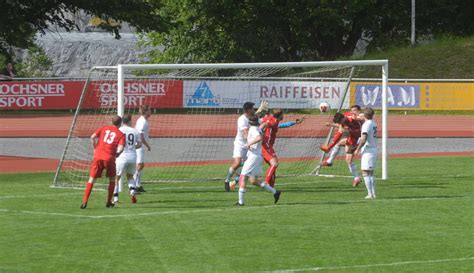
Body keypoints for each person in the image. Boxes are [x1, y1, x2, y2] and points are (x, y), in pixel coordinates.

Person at [80, 116, 125, 209]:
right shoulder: (121, 134)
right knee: (112, 179)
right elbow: (121, 147)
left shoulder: (104, 128)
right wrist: (118, 153)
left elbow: (92, 137)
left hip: (98, 156)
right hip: (109, 158)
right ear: (120, 124)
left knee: (91, 179)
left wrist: (95, 149)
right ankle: (108, 202)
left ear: (111, 122)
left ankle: (84, 202)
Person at [235, 115, 281, 206]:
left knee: (243, 177)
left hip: (253, 157)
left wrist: (249, 143)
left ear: (249, 122)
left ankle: (241, 202)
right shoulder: (258, 128)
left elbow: (259, 138)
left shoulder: (253, 129)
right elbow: (262, 130)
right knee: (253, 181)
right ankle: (275, 192)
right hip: (257, 156)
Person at [224, 101, 268, 192]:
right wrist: (253, 139)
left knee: (248, 166)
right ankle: (227, 180)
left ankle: (237, 183)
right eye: (252, 109)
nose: (253, 110)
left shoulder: (253, 117)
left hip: (249, 144)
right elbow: (246, 133)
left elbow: (261, 122)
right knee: (237, 162)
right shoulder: (242, 119)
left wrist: (267, 118)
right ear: (248, 110)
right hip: (240, 144)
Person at [258, 109, 305, 188]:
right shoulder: (273, 122)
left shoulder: (271, 118)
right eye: (282, 115)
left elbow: (282, 125)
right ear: (280, 116)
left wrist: (295, 122)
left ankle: (271, 186)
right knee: (274, 164)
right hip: (266, 146)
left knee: (271, 166)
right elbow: (264, 125)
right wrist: (259, 132)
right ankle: (266, 183)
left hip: (265, 145)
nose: (283, 116)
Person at [320, 105, 364, 186]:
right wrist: (331, 125)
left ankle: (357, 177)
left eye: (355, 110)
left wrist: (329, 147)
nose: (353, 111)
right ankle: (330, 161)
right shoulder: (346, 116)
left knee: (349, 160)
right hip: (353, 138)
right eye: (352, 110)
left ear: (359, 110)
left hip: (360, 139)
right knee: (343, 150)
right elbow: (341, 126)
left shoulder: (361, 115)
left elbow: (341, 131)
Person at [113, 114, 142, 205]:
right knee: (130, 176)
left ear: (122, 121)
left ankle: (116, 198)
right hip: (133, 156)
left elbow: (115, 143)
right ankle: (132, 191)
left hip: (121, 156)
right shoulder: (135, 131)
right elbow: (140, 144)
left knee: (116, 178)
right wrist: (132, 147)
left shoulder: (119, 130)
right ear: (130, 121)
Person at [355, 108, 378, 199]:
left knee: (365, 172)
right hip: (373, 149)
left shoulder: (366, 125)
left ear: (364, 115)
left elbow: (364, 139)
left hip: (368, 151)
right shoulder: (373, 123)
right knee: (371, 173)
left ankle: (370, 194)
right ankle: (373, 193)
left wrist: (357, 148)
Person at [134, 105, 152, 193]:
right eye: (149, 110)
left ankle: (138, 185)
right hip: (139, 145)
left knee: (141, 165)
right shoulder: (142, 121)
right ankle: (134, 186)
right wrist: (147, 145)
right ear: (145, 112)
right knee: (139, 165)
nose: (150, 112)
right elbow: (140, 135)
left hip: (140, 145)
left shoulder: (143, 120)